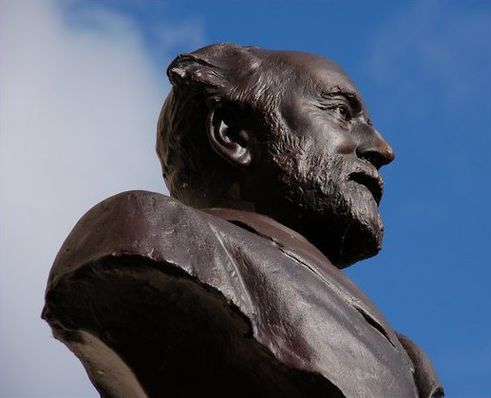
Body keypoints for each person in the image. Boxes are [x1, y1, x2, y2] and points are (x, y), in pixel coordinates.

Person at [43, 43, 444, 398]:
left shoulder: (410, 360)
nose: (382, 149)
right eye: (341, 113)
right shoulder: (151, 233)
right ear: (232, 133)